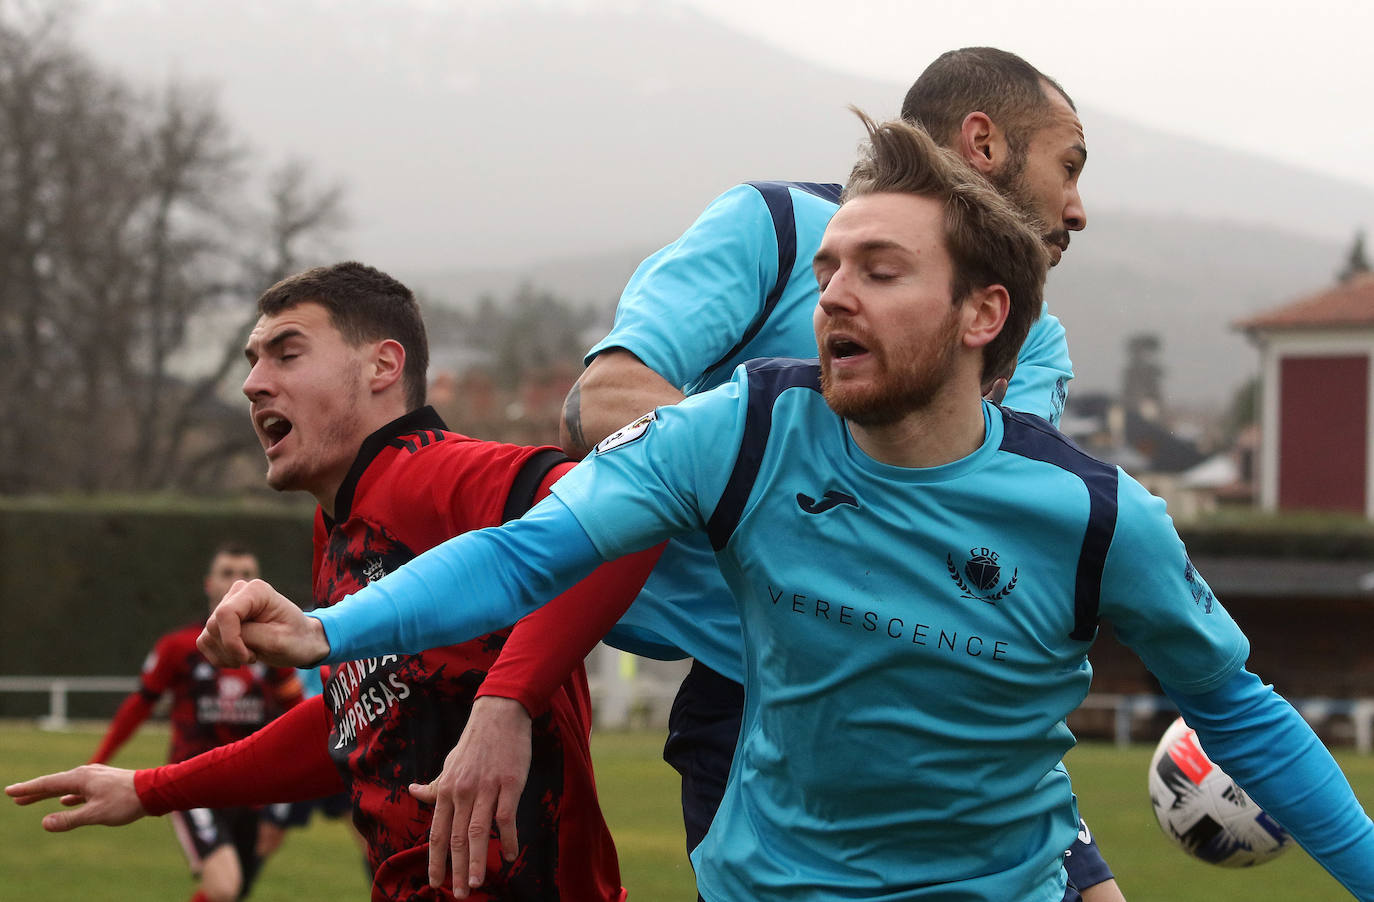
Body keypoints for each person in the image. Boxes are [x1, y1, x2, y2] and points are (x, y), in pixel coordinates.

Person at [187, 114, 1372, 900]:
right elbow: (527, 553)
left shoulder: (1100, 518)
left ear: (983, 316)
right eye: (828, 270)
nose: (834, 296)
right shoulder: (743, 427)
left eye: (881, 271)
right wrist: (333, 629)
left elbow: (1244, 710)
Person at [449, 45, 1118, 902]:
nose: (1078, 208)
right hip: (752, 704)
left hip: (949, 709)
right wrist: (772, 491)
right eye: (1069, 165)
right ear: (982, 143)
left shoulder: (1027, 333)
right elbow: (606, 398)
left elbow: (989, 517)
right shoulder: (771, 227)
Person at [7, 262, 659, 901]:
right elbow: (352, 721)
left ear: (382, 366)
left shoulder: (439, 473)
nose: (253, 383)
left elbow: (636, 498)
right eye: (251, 360)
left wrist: (505, 703)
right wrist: (150, 788)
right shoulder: (340, 530)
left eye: (286, 354)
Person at [87, 542, 304, 902]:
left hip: (254, 787)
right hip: (193, 781)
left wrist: (285, 798)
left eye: (247, 574)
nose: (237, 581)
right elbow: (139, 705)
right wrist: (98, 761)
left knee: (235, 891)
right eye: (227, 573)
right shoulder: (179, 647)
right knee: (224, 887)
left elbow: (298, 715)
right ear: (209, 584)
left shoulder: (275, 649)